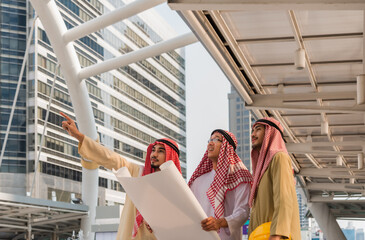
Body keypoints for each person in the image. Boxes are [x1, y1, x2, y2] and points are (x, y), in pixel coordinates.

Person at [60, 112, 181, 240]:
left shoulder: (176, 192)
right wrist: (79, 137)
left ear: (170, 156)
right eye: (154, 150)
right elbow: (110, 158)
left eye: (160, 151)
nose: (154, 154)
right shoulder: (137, 173)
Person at [188, 129, 253, 240]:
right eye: (210, 139)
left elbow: (243, 212)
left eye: (217, 139)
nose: (210, 143)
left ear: (227, 148)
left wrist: (220, 222)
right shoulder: (198, 181)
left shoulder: (241, 178)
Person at [248, 117, 301, 240]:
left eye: (258, 130)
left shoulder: (279, 158)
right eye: (252, 130)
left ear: (270, 133)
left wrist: (277, 234)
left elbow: (284, 198)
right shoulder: (262, 170)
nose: (253, 134)